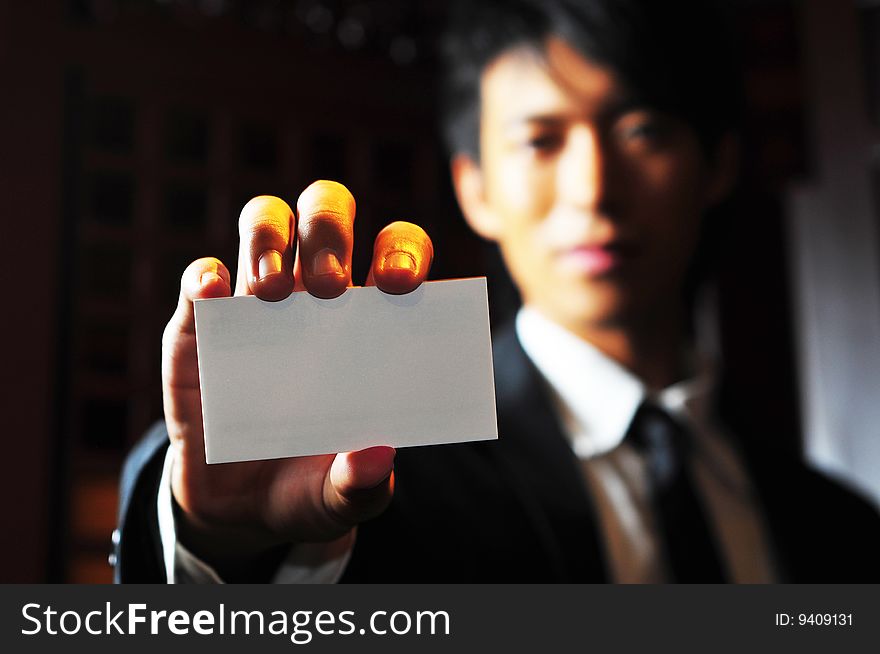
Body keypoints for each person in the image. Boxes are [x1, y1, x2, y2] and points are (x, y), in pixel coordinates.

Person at [114, 0, 880, 583]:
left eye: (643, 130)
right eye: (540, 141)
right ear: (473, 187)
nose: (593, 190)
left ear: (717, 166)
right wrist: (217, 542)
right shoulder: (375, 473)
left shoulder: (840, 529)